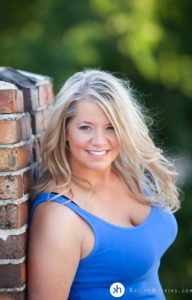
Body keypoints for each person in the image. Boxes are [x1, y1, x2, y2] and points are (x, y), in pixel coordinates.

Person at [27, 69, 180, 300]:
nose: (99, 141)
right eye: (86, 127)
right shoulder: (59, 216)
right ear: (65, 131)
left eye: (111, 127)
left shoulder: (127, 173)